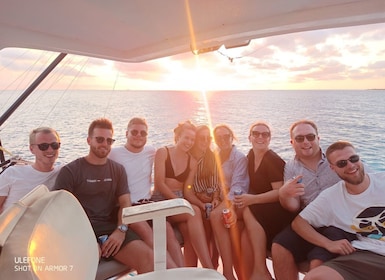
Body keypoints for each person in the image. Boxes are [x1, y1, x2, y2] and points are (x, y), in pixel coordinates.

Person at [54, 118, 156, 274]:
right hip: (81, 229)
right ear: (89, 140)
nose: (105, 144)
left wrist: (121, 230)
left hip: (111, 227)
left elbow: (125, 203)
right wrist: (86, 240)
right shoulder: (71, 171)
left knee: (148, 259)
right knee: (81, 268)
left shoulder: (117, 170)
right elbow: (60, 212)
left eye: (109, 140)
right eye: (100, 139)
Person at [292, 141, 385, 280]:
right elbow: (299, 223)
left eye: (353, 159)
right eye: (342, 163)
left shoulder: (382, 180)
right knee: (315, 277)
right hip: (369, 254)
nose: (351, 165)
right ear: (332, 168)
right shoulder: (331, 197)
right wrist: (328, 244)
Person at [108, 117, 184, 267]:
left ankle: (184, 273)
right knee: (149, 235)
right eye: (134, 132)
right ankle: (175, 275)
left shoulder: (151, 151)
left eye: (143, 133)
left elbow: (172, 155)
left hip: (148, 204)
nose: (138, 136)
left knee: (168, 232)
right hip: (127, 207)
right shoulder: (114, 153)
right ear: (126, 133)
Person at [271, 120, 341, 280]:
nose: (306, 142)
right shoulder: (291, 167)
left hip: (338, 222)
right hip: (308, 221)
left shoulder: (336, 160)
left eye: (310, 137)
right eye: (300, 138)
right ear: (292, 142)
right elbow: (293, 207)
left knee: (317, 262)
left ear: (318, 138)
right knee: (279, 247)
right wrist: (284, 194)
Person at [234, 121, 295, 280]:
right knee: (244, 233)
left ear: (269, 138)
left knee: (248, 208)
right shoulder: (251, 156)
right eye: (256, 133)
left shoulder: (272, 159)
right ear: (250, 137)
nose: (260, 137)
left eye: (265, 134)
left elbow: (280, 193)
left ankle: (261, 271)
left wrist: (252, 199)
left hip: (278, 211)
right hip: (261, 208)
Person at [151, 120, 214, 269]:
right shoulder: (163, 152)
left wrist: (200, 203)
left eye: (192, 139)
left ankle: (190, 272)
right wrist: (179, 202)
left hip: (179, 203)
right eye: (186, 138)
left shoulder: (192, 162)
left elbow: (188, 191)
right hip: (161, 200)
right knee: (193, 213)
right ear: (177, 137)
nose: (189, 142)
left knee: (189, 232)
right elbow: (160, 183)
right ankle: (208, 267)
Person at [209, 124, 249, 280]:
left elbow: (237, 188)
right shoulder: (215, 155)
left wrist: (227, 206)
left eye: (226, 136)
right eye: (219, 137)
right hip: (221, 199)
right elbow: (215, 183)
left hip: (238, 199)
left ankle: (227, 271)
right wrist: (214, 199)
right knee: (207, 215)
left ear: (232, 137)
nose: (223, 140)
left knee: (215, 216)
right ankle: (211, 266)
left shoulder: (239, 158)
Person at [0, 127, 61, 213]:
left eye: (54, 145)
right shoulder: (12, 173)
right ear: (32, 149)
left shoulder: (63, 173)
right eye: (43, 146)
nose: (50, 150)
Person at [185, 125, 221, 268]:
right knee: (204, 219)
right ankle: (199, 268)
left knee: (215, 219)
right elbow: (187, 186)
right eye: (202, 138)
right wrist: (199, 196)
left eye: (208, 138)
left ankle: (213, 264)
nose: (205, 141)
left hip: (210, 197)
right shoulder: (189, 158)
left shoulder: (211, 157)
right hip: (194, 198)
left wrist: (216, 198)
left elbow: (216, 181)